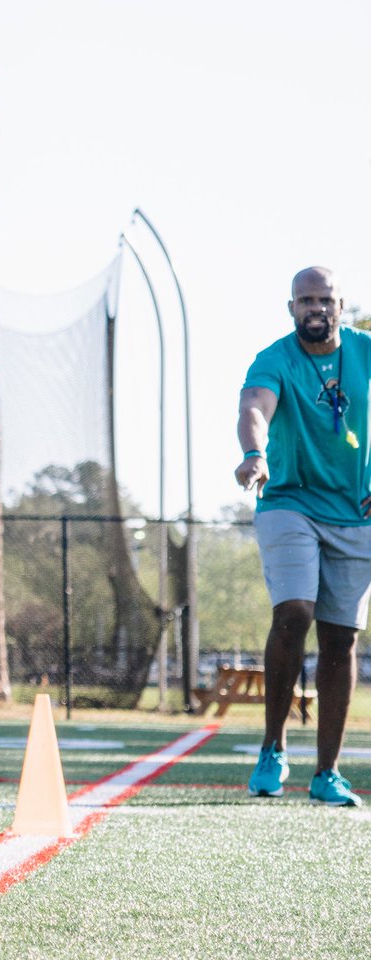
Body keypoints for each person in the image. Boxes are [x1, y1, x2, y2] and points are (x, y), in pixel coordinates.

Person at [235, 265, 367, 808]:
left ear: (342, 306)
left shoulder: (364, 352)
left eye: (325, 299)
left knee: (341, 639)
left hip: (354, 515)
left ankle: (327, 772)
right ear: (291, 308)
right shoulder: (275, 359)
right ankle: (272, 747)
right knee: (295, 611)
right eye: (305, 300)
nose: (316, 308)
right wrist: (254, 455)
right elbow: (254, 409)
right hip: (288, 500)